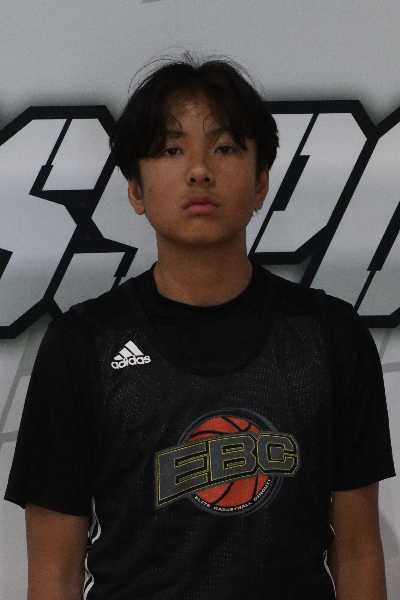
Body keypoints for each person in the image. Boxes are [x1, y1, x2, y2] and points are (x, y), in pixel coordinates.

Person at [5, 55, 395, 600]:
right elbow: (54, 572)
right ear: (135, 190)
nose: (199, 170)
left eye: (225, 147)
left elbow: (356, 551)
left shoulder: (330, 337)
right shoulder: (82, 345)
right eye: (171, 149)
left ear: (261, 184)